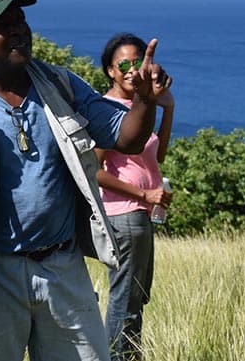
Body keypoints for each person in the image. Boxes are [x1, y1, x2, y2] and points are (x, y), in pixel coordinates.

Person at [0, 0, 171, 361]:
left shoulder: (60, 85)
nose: (20, 31)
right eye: (5, 26)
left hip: (61, 268)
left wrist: (145, 99)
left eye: (21, 21)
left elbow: (127, 139)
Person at [95, 33, 174, 361]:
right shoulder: (107, 109)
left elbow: (160, 156)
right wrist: (144, 192)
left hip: (142, 214)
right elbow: (93, 171)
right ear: (110, 71)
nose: (131, 70)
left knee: (136, 298)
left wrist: (165, 105)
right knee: (125, 300)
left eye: (137, 63)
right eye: (122, 64)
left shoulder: (141, 106)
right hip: (123, 214)